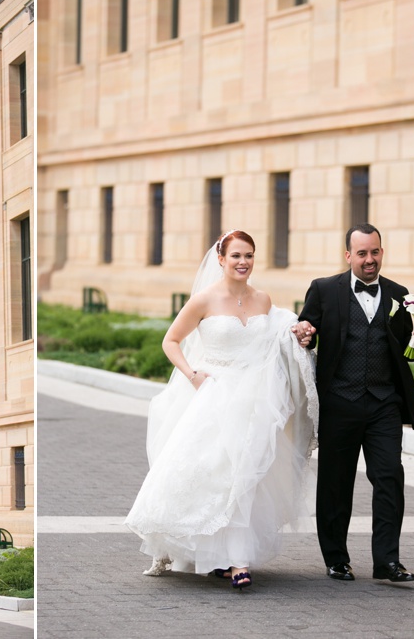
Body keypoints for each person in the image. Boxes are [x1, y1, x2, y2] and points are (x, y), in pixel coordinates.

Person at [125, 230, 319, 590]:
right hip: (215, 395)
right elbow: (170, 340)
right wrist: (191, 373)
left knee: (247, 477)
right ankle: (215, 554)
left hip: (257, 400)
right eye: (236, 256)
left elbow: (277, 332)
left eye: (249, 256)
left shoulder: (263, 299)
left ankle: (237, 559)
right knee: (213, 475)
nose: (243, 262)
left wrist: (297, 333)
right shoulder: (204, 299)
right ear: (221, 259)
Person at [293, 224, 414, 583]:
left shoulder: (401, 295)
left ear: (381, 252)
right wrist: (305, 335)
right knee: (335, 483)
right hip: (339, 401)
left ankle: (387, 561)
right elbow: (304, 334)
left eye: (375, 252)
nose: (369, 260)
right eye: (362, 254)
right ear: (348, 256)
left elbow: (409, 353)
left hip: (384, 403)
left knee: (389, 477)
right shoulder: (324, 290)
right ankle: (337, 558)